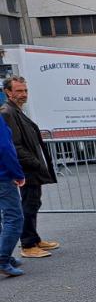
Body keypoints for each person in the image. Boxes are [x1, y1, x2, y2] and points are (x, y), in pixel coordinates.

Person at [0, 76, 59, 259]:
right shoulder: (7, 112)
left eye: (25, 90)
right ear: (8, 92)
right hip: (25, 168)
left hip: (30, 167)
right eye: (18, 91)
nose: (23, 94)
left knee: (33, 203)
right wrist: (35, 163)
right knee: (28, 205)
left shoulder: (17, 110)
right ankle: (28, 244)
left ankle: (34, 238)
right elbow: (14, 146)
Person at [0, 114, 25, 277]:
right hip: (2, 176)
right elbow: (4, 147)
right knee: (14, 218)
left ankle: (4, 255)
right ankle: (2, 259)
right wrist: (18, 173)